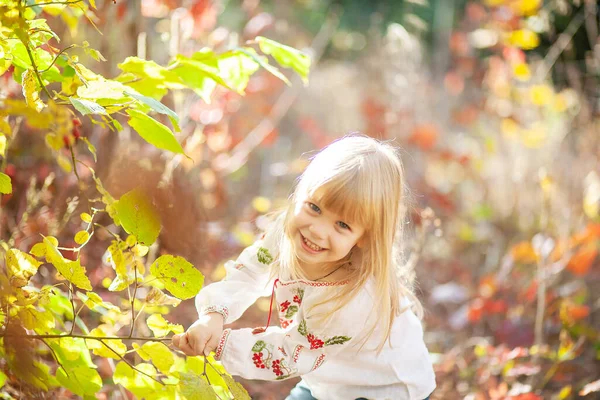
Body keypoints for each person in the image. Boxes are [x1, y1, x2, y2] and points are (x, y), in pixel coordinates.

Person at [172, 134, 436, 400]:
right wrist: (213, 316)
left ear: (364, 237)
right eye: (314, 207)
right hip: (326, 373)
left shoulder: (355, 299)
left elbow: (289, 352)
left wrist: (220, 344)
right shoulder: (288, 233)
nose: (317, 231)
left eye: (342, 225)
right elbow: (250, 273)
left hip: (385, 390)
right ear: (301, 193)